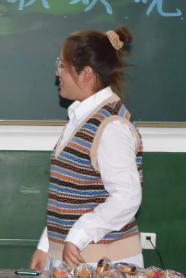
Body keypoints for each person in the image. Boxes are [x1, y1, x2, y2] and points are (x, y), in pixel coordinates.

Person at [30, 26, 143, 271]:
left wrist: (79, 235)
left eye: (63, 65)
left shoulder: (111, 125)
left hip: (100, 262)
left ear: (87, 74)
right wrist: (47, 246)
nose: (58, 72)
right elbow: (67, 194)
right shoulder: (80, 117)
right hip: (72, 255)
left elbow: (127, 197)